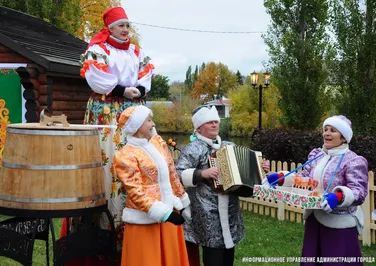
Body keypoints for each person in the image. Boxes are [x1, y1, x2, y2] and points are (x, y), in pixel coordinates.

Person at [60, 6, 154, 265]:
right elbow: (97, 77)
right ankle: (101, 230)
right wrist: (122, 89)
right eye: (121, 26)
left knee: (135, 159)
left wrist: (138, 90)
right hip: (106, 110)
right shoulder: (97, 49)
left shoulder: (136, 51)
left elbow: (146, 74)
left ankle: (134, 220)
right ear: (110, 28)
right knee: (106, 162)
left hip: (133, 109)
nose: (125, 30)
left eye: (127, 25)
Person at [267, 115, 368, 265]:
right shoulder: (317, 155)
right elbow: (304, 177)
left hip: (338, 226)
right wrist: (281, 178)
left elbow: (359, 191)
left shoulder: (354, 160)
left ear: (344, 137)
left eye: (333, 130)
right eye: (325, 129)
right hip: (314, 220)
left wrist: (338, 197)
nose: (326, 133)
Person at [175, 105, 270, 266]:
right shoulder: (193, 148)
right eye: (209, 122)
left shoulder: (229, 145)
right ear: (198, 128)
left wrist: (261, 168)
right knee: (213, 254)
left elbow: (246, 169)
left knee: (228, 255)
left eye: (216, 122)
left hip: (231, 210)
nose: (214, 125)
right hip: (207, 213)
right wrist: (201, 174)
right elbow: (177, 173)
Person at [113, 105, 190, 266]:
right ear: (137, 125)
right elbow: (136, 192)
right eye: (149, 120)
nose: (153, 124)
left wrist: (182, 202)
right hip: (145, 223)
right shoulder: (125, 155)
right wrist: (164, 214)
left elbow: (171, 173)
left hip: (169, 217)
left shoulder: (156, 144)